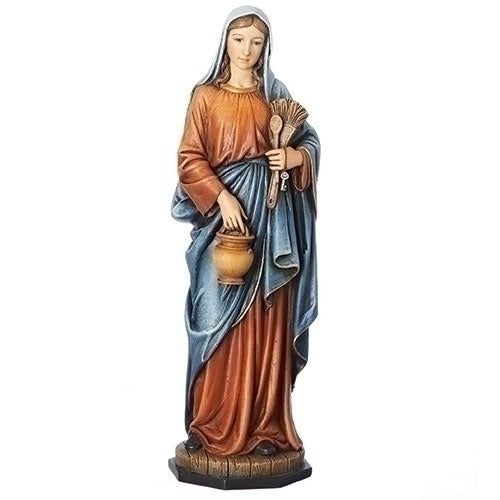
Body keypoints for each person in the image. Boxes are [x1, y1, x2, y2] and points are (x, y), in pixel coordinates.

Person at [171, 5, 320, 457]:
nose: (246, 50)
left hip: (272, 227)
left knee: (266, 319)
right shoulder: (205, 97)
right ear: (225, 42)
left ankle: (266, 429)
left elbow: (308, 140)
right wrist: (221, 195)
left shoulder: (275, 95)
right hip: (224, 225)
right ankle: (207, 425)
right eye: (239, 40)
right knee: (213, 315)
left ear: (265, 47)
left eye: (256, 42)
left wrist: (294, 158)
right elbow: (189, 158)